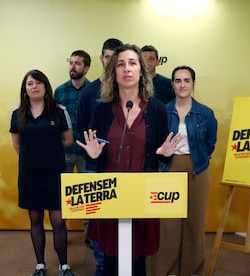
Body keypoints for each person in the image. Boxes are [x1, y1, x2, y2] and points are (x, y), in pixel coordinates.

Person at [76, 44, 183, 276]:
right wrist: (92, 157)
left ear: (142, 71)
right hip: (110, 194)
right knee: (111, 258)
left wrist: (164, 156)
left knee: (138, 259)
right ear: (113, 71)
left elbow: (162, 155)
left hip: (141, 194)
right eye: (121, 64)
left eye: (133, 63)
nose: (127, 69)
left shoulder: (156, 109)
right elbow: (94, 151)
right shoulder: (102, 109)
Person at [148, 65, 218, 276]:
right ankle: (166, 270)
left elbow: (210, 142)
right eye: (178, 81)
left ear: (194, 84)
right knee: (167, 225)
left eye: (187, 80)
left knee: (194, 223)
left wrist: (198, 157)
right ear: (172, 85)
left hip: (197, 169)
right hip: (168, 168)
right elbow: (154, 143)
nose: (182, 85)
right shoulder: (161, 110)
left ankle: (192, 270)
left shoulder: (205, 113)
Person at [10, 69, 75, 276]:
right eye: (30, 83)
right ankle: (40, 265)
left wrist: (49, 154)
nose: (34, 87)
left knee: (58, 221)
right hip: (29, 175)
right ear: (25, 89)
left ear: (46, 86)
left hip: (54, 174)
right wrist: (34, 157)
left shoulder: (58, 111)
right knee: (35, 220)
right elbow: (17, 145)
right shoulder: (17, 113)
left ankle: (64, 266)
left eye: (38, 83)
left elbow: (68, 140)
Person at [77, 37, 123, 276]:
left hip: (125, 164)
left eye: (116, 57)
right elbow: (83, 127)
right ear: (101, 58)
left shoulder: (128, 89)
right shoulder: (89, 92)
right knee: (97, 216)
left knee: (123, 217)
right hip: (95, 164)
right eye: (107, 56)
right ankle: (102, 263)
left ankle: (120, 263)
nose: (111, 61)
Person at [54, 50, 91, 173]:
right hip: (64, 150)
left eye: (77, 63)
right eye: (71, 63)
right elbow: (54, 120)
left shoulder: (94, 90)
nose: (72, 67)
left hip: (86, 151)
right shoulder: (59, 91)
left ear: (86, 68)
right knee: (63, 189)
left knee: (87, 189)